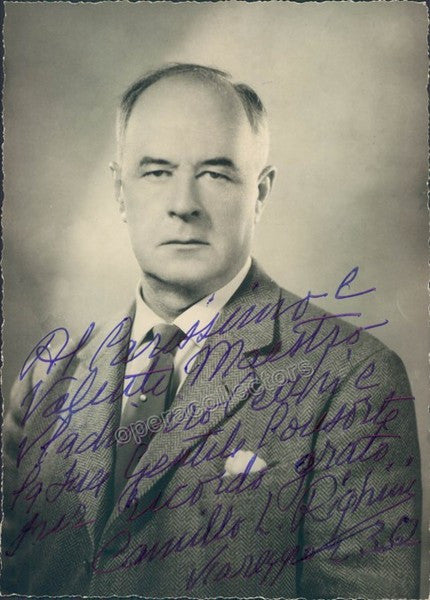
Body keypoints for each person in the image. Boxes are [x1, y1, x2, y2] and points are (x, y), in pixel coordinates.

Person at [2, 63, 422, 598]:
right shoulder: (47, 376)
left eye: (216, 174)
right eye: (157, 172)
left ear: (261, 193)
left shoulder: (355, 380)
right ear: (119, 192)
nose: (184, 205)